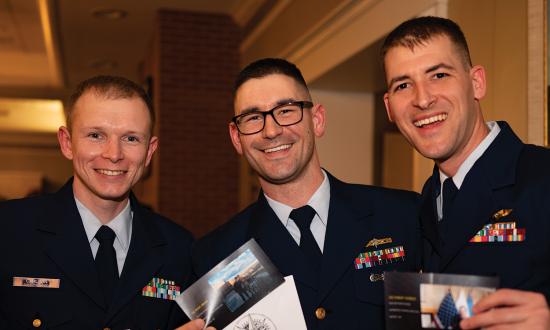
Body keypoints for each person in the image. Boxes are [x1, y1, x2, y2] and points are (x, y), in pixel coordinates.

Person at [192, 58, 421, 329]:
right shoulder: (213, 257)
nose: (271, 130)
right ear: (236, 138)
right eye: (253, 118)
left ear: (318, 120)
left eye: (286, 110)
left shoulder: (405, 215)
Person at [382, 16, 550, 329]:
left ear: (477, 83)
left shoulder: (543, 178)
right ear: (390, 108)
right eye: (403, 85)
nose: (422, 98)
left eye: (439, 75)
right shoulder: (416, 211)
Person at [0, 76, 205, 329]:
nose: (114, 154)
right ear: (67, 143)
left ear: (150, 151)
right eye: (96, 135)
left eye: (131, 139)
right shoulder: (9, 230)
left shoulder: (180, 250)